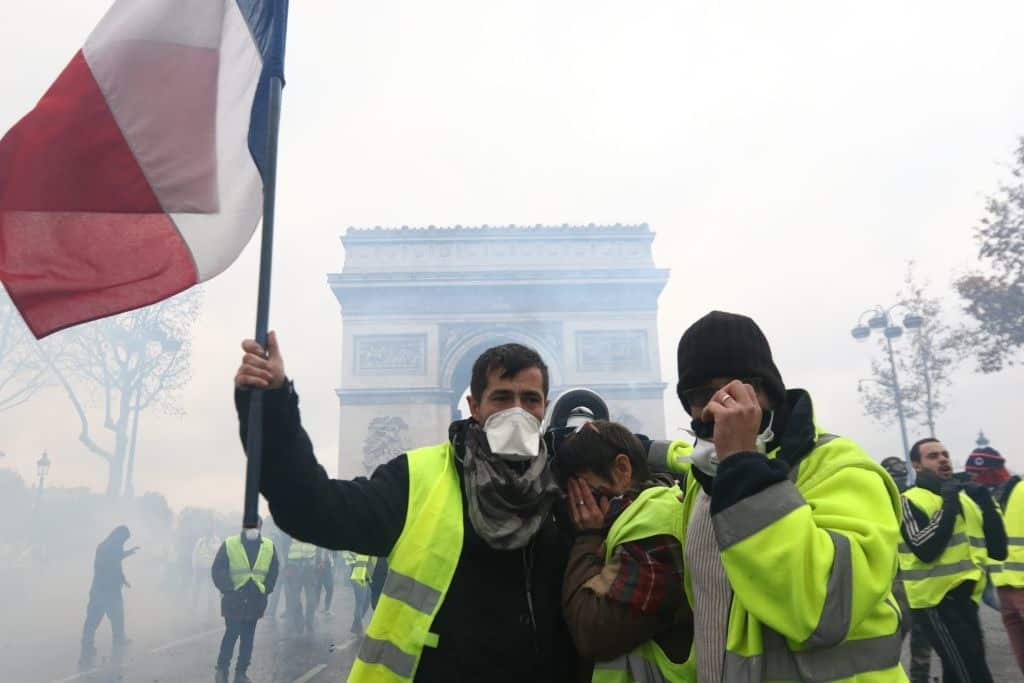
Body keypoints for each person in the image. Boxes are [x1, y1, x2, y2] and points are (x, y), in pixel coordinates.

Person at [234, 334, 578, 681]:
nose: (517, 411)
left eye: (530, 399)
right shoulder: (416, 480)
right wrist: (273, 406)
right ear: (474, 406)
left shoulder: (569, 492)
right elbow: (312, 508)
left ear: (545, 407)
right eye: (502, 397)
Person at [674, 311, 905, 681]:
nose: (722, 404)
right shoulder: (700, 487)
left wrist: (742, 462)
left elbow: (824, 608)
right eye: (702, 394)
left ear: (770, 391)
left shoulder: (842, 468)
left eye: (739, 386)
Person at [557, 420, 693, 682]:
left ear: (623, 468)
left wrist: (586, 538)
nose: (581, 510)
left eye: (589, 494)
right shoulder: (634, 517)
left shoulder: (655, 527)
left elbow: (593, 632)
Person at [899, 438, 1007, 683]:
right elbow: (925, 549)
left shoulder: (965, 499)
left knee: (962, 670)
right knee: (972, 672)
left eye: (945, 454)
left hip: (966, 598)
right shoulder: (909, 500)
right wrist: (948, 504)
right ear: (917, 465)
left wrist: (986, 504)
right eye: (933, 456)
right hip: (935, 601)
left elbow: (998, 550)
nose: (943, 459)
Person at [966, 445, 1024, 674]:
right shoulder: (984, 501)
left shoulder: (1020, 492)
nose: (975, 480)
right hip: (1003, 589)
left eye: (977, 475)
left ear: (993, 472)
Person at [880, 456, 931, 683]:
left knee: (922, 642)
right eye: (895, 477)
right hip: (896, 581)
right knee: (891, 640)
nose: (899, 480)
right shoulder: (880, 502)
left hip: (915, 580)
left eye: (902, 476)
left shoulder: (909, 499)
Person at [211, 518, 280, 683]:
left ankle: (241, 673)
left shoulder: (269, 546)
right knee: (232, 632)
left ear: (260, 527)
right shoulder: (230, 543)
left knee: (248, 637)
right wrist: (228, 588)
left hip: (255, 599)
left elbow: (274, 570)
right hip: (234, 598)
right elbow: (218, 569)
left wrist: (266, 589)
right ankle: (222, 669)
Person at [79, 525, 138, 669]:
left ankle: (95, 644)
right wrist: (120, 578)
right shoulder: (110, 547)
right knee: (95, 619)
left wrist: (123, 577)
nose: (124, 542)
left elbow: (116, 562)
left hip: (103, 590)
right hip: (105, 591)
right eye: (124, 539)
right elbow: (113, 564)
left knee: (111, 617)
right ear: (119, 536)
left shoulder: (108, 545)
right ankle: (89, 646)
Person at [284, 539, 317, 635]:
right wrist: (286, 566)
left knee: (311, 600)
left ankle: (309, 621)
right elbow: (284, 547)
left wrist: (319, 563)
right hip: (294, 568)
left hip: (310, 568)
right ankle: (299, 622)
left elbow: (319, 548)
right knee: (295, 598)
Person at [342, 550, 375, 635]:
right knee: (360, 603)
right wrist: (353, 565)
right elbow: (346, 554)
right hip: (358, 576)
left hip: (367, 576)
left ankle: (355, 625)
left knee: (366, 602)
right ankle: (359, 629)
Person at [193, 528, 222, 614]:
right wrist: (194, 566)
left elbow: (217, 551)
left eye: (209, 533)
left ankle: (211, 607)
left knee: (211, 589)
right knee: (197, 588)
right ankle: (193, 605)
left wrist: (208, 543)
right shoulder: (200, 541)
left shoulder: (216, 541)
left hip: (210, 568)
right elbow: (195, 554)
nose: (207, 534)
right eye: (206, 532)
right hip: (200, 568)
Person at [315, 546, 335, 616]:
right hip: (318, 569)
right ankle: (315, 609)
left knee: (330, 589)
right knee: (317, 589)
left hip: (328, 568)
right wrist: (317, 565)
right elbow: (315, 555)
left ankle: (327, 609)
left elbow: (335, 556)